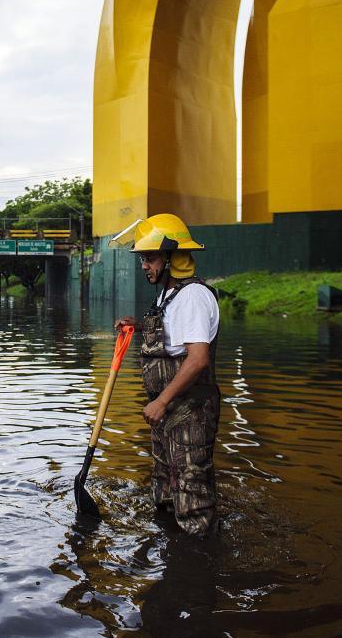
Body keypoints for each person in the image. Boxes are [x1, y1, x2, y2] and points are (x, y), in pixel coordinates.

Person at [113, 213, 220, 535]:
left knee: (190, 486)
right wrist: (139, 325)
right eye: (143, 259)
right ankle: (167, 542)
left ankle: (199, 562)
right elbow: (174, 336)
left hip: (189, 410)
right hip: (167, 409)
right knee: (165, 481)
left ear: (174, 258)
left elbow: (198, 358)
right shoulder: (168, 295)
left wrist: (162, 401)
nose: (144, 265)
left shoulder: (193, 296)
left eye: (149, 258)